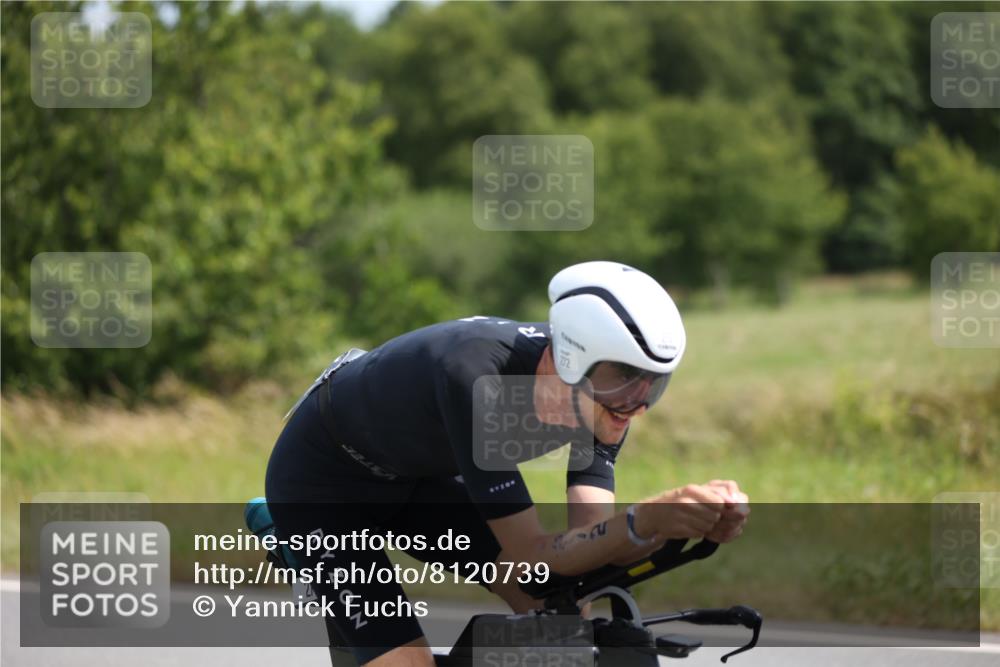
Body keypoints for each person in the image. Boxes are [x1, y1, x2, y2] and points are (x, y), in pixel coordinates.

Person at [264, 260, 749, 667]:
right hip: (324, 489)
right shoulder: (477, 379)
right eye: (625, 380)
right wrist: (645, 519)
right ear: (570, 360)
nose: (637, 404)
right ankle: (285, 532)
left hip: (416, 480)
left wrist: (686, 521)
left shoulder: (604, 401)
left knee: (560, 621)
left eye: (652, 384)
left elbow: (588, 555)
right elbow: (531, 554)